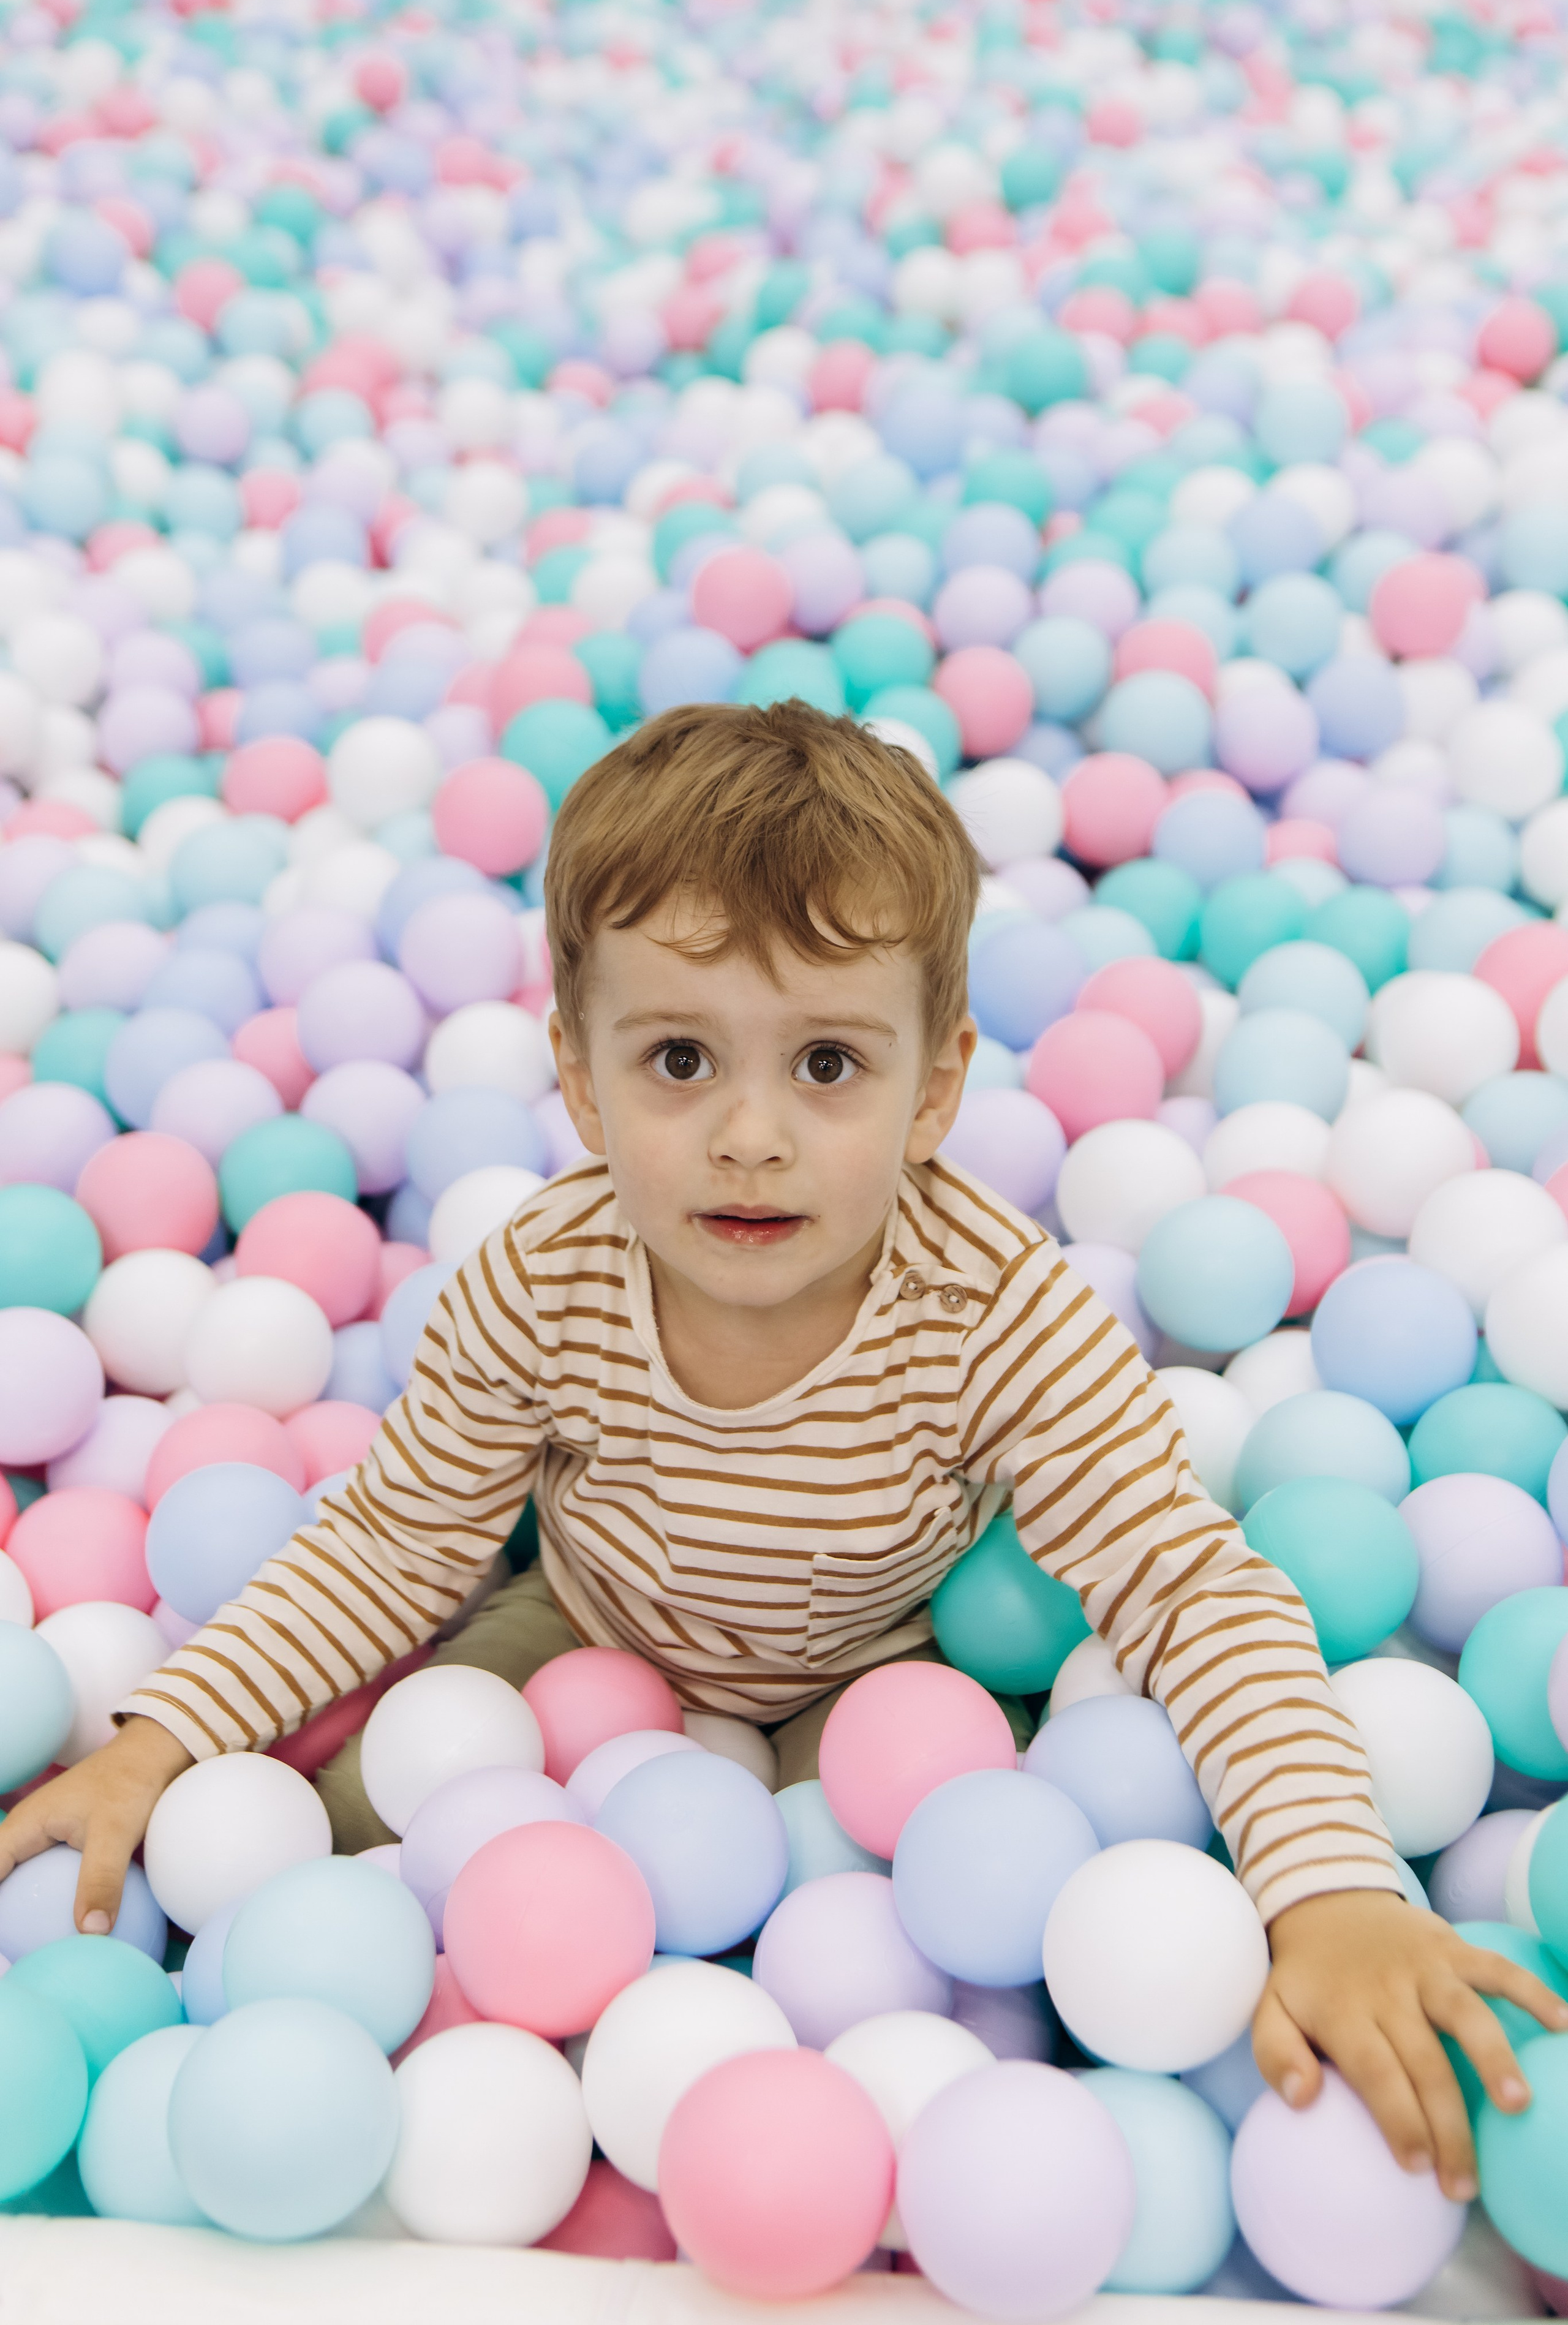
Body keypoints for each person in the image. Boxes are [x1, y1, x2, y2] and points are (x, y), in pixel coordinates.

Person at [1, 699, 1561, 2201]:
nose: (750, 1134)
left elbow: (1185, 1588)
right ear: (578, 1077)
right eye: (680, 1060)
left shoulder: (993, 1312)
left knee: (902, 1953)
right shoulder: (541, 1284)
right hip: (584, 1644)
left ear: (933, 1087)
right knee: (344, 1856)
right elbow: (395, 1539)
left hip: (867, 1700)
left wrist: (1329, 1889)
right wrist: (166, 1739)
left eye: (826, 1065)